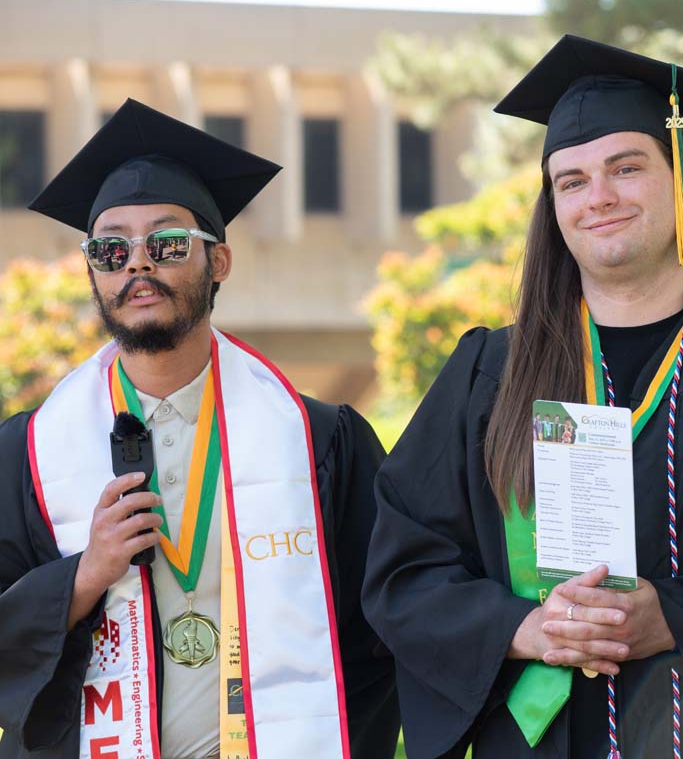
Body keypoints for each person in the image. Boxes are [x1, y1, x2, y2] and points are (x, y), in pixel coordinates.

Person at [363, 35, 683, 759]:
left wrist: (675, 616)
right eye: (572, 181)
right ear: (552, 206)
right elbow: (405, 567)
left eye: (626, 167)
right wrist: (528, 628)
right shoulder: (491, 373)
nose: (600, 196)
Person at [0, 99, 400, 759]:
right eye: (110, 248)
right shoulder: (29, 454)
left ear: (218, 262)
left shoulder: (323, 443)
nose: (136, 264)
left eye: (167, 243)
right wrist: (83, 575)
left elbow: (381, 632)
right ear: (94, 272)